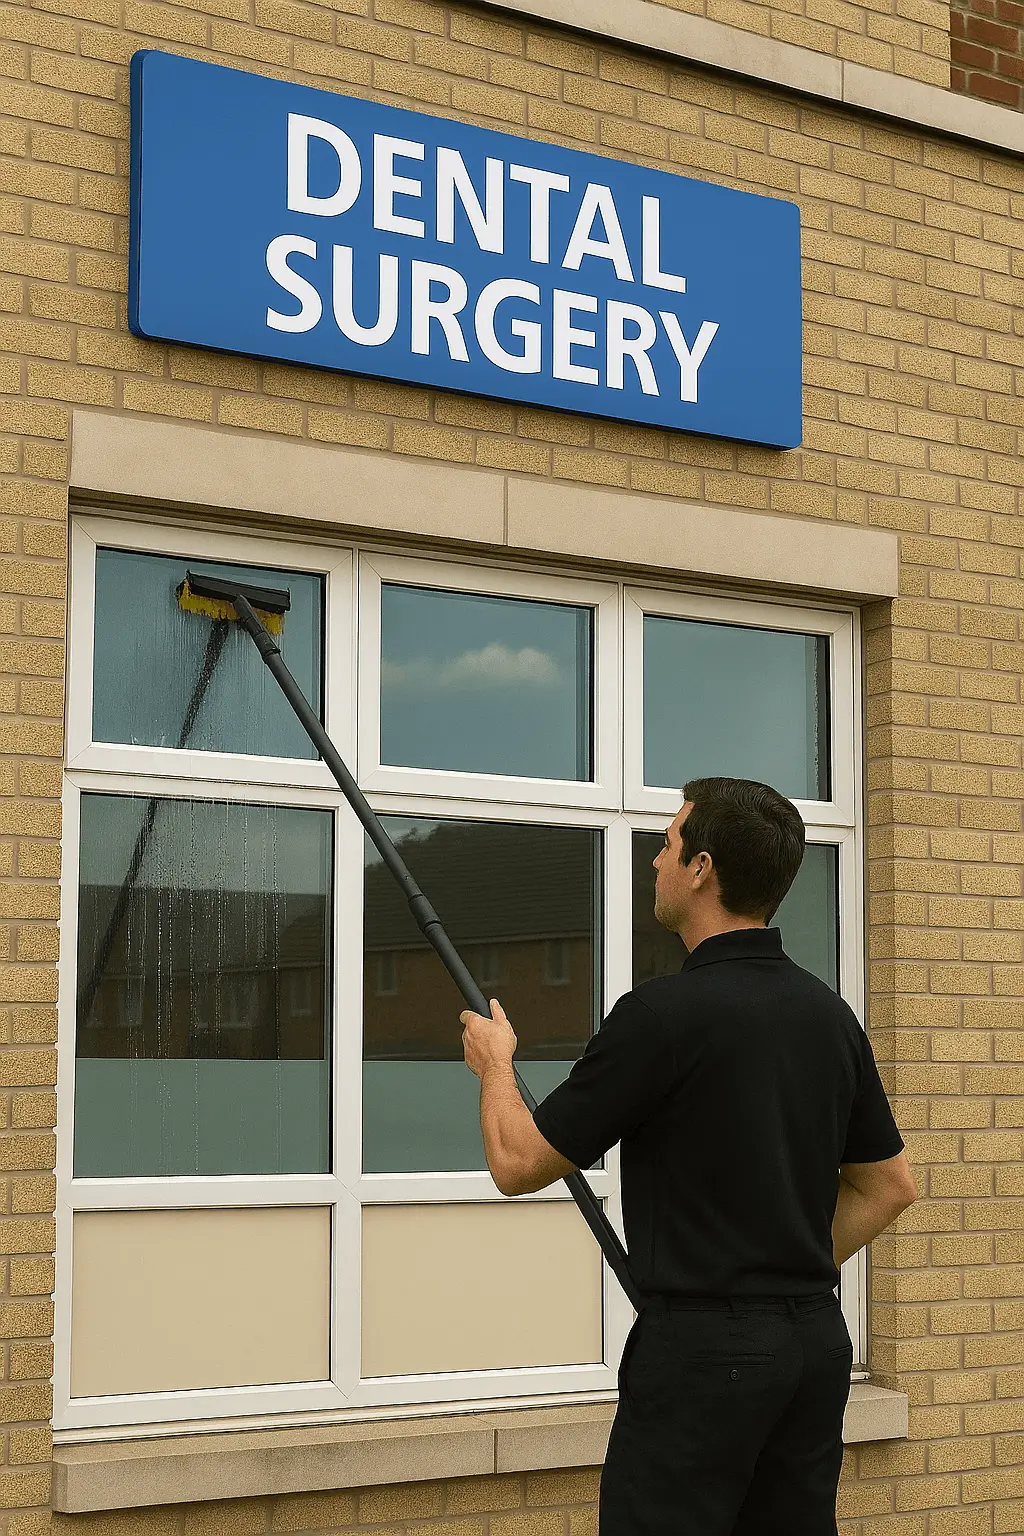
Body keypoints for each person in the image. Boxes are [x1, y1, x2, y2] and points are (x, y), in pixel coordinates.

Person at [461, 776, 916, 1536]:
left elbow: (517, 1161)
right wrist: (781, 1272)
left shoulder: (660, 1017)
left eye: (668, 844)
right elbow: (889, 1186)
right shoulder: (828, 1016)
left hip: (705, 1356)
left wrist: (496, 1064)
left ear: (702, 868)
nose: (654, 862)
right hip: (810, 1346)